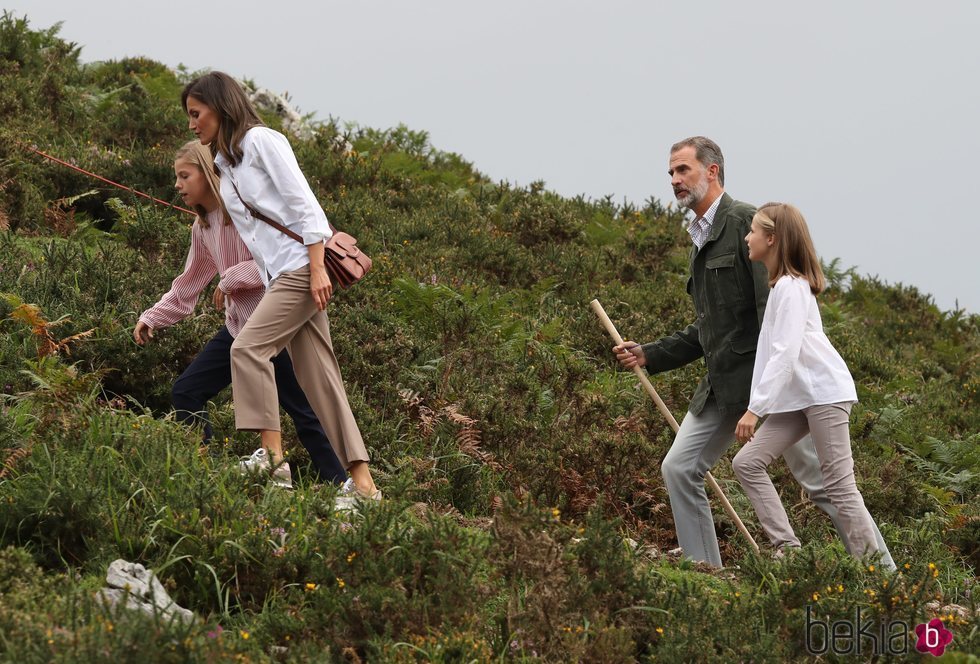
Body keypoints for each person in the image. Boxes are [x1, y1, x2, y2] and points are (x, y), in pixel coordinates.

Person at [613, 137, 893, 568]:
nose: (674, 180)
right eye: (670, 173)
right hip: (723, 386)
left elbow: (775, 319)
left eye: (682, 169)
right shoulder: (698, 240)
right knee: (679, 468)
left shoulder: (746, 222)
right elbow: (710, 326)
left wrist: (765, 397)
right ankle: (705, 571)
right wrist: (651, 353)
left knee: (822, 482)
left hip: (776, 389)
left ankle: (885, 577)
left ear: (713, 171)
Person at [181, 71, 380, 500]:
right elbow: (255, 232)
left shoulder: (261, 142)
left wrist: (318, 268)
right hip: (280, 277)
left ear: (220, 105)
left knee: (248, 349)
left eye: (197, 114)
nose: (192, 124)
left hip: (302, 269)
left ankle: (272, 459)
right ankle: (364, 485)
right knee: (321, 378)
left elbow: (304, 204)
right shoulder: (224, 164)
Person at [135, 140, 347, 489]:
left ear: (207, 173)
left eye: (185, 176)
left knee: (305, 413)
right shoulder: (202, 228)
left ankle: (344, 485)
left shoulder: (245, 213)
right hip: (239, 329)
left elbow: (275, 262)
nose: (177, 185)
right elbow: (189, 282)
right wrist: (153, 316)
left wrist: (232, 277)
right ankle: (209, 474)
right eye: (177, 177)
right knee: (186, 391)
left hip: (276, 327)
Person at [732, 202, 886, 561]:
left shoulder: (792, 287)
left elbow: (785, 353)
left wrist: (755, 410)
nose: (747, 237)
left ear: (771, 239)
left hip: (823, 394)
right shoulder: (782, 288)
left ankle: (881, 578)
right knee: (747, 463)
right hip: (798, 399)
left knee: (839, 486)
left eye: (753, 231)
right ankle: (787, 549)